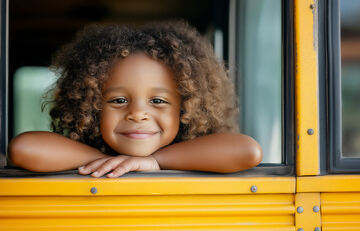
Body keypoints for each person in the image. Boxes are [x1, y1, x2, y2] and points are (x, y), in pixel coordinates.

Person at [9, 21, 262, 178]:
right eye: (118, 100)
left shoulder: (198, 150)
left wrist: (153, 162)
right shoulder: (94, 150)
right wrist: (104, 160)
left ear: (186, 108)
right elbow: (23, 149)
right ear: (91, 109)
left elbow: (247, 151)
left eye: (158, 101)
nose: (138, 113)